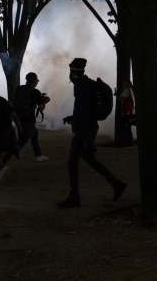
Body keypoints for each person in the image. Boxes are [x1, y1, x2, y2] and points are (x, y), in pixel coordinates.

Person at [57, 58, 127, 209]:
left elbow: (85, 111)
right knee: (89, 157)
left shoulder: (81, 86)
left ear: (73, 73)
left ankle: (74, 197)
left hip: (86, 129)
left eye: (71, 72)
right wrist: (73, 118)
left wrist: (81, 135)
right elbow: (86, 110)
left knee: (72, 162)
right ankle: (117, 184)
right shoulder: (87, 83)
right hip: (91, 126)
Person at [3, 72, 50, 163]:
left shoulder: (19, 88)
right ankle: (4, 159)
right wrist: (44, 102)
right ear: (34, 81)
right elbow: (41, 108)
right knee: (21, 143)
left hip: (18, 118)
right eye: (37, 81)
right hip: (29, 120)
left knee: (34, 134)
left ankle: (38, 155)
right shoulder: (35, 92)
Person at [114, 80, 135, 147]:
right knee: (128, 128)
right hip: (131, 112)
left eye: (124, 84)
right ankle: (129, 142)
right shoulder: (131, 90)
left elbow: (120, 98)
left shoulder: (126, 90)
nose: (123, 86)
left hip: (126, 113)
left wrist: (117, 94)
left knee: (124, 128)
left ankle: (126, 143)